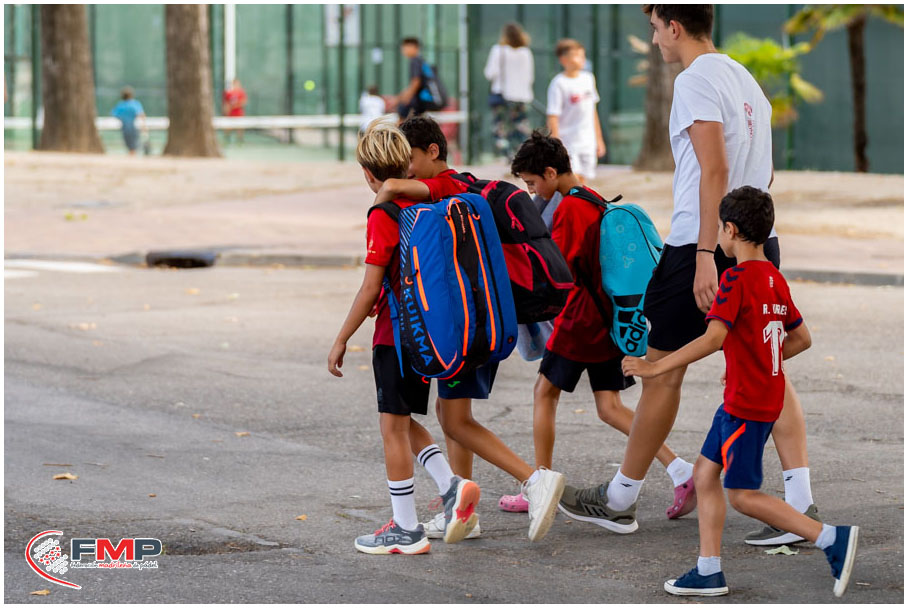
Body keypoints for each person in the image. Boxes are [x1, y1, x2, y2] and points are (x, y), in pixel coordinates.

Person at [573, 5, 821, 541]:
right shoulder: (745, 79)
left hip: (699, 245)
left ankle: (620, 499)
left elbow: (716, 169)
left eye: (655, 28)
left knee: (661, 370)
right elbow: (764, 172)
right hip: (756, 240)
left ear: (675, 27)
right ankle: (801, 506)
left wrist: (706, 253)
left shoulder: (694, 80)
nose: (654, 40)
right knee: (767, 364)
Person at [623, 187, 858, 598]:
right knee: (704, 474)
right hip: (751, 397)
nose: (718, 236)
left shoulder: (734, 279)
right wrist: (758, 361)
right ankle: (709, 570)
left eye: (719, 228)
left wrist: (655, 366)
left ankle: (829, 537)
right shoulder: (773, 278)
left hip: (746, 405)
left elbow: (713, 338)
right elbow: (801, 338)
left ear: (730, 230)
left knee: (743, 496)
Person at [373, 116, 567, 543]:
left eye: (409, 159)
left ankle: (534, 480)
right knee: (452, 415)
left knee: (456, 420)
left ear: (433, 151)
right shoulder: (456, 186)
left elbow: (410, 189)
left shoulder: (449, 186)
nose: (405, 170)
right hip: (474, 319)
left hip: (466, 325)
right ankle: (461, 511)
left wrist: (386, 190)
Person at [497, 131, 695, 523]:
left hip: (579, 322)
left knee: (544, 393)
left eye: (533, 183)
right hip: (607, 320)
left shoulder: (570, 209)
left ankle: (539, 485)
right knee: (609, 407)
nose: (532, 192)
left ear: (550, 173)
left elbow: (559, 268)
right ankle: (680, 470)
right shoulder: (592, 197)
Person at [327, 119, 481, 555]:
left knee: (391, 429)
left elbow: (370, 288)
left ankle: (406, 528)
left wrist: (341, 338)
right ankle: (450, 486)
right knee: (404, 422)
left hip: (392, 336)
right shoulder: (422, 202)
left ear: (367, 173)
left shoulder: (383, 213)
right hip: (423, 333)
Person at [546, 39, 606, 184]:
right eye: (577, 56)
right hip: (568, 142)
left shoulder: (588, 78)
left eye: (582, 55)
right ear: (563, 60)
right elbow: (553, 116)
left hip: (587, 141)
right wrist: (556, 144)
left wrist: (599, 139)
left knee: (583, 181)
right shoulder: (558, 83)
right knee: (572, 179)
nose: (582, 59)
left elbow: (592, 111)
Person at [483, 23, 534, 161]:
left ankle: (508, 155)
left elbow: (490, 73)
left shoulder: (498, 50)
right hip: (522, 97)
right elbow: (530, 77)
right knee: (521, 127)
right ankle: (522, 155)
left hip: (502, 95)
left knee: (500, 129)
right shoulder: (526, 52)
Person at [395, 38, 437, 122]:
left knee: (402, 115)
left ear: (414, 47)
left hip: (421, 100)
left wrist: (405, 99)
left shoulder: (415, 61)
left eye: (405, 47)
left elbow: (416, 82)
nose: (403, 50)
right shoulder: (421, 61)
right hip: (425, 100)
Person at [111, 87, 147, 157]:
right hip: (134, 126)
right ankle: (133, 156)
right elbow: (141, 115)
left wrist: (123, 118)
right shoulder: (135, 103)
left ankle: (131, 156)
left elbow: (114, 114)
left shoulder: (121, 105)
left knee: (129, 144)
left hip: (124, 127)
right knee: (134, 144)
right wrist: (144, 126)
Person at [223, 78, 248, 144]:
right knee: (228, 126)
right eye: (235, 84)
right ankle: (227, 139)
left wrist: (235, 106)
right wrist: (226, 110)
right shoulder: (229, 93)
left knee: (240, 127)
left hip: (239, 113)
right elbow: (226, 103)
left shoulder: (241, 92)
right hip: (231, 114)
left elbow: (244, 102)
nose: (236, 85)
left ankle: (240, 140)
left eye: (237, 84)